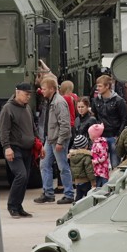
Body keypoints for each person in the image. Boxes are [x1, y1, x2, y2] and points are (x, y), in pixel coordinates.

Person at [34, 75, 75, 205]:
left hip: (57, 139)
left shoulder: (59, 102)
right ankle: (48, 193)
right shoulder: (50, 100)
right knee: (44, 164)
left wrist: (60, 142)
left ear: (52, 89)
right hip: (49, 138)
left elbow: (65, 125)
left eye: (44, 89)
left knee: (63, 166)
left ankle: (69, 194)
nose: (42, 91)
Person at [0, 82, 36, 218]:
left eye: (29, 95)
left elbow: (32, 127)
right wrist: (7, 147)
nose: (28, 97)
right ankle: (12, 206)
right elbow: (3, 130)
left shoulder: (27, 108)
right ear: (18, 92)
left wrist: (38, 142)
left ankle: (18, 206)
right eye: (26, 94)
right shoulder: (7, 109)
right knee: (21, 175)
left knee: (25, 179)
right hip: (14, 148)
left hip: (27, 148)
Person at [91, 74, 127, 168]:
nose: (97, 88)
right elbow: (94, 116)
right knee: (100, 166)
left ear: (107, 86)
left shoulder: (119, 101)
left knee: (115, 165)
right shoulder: (96, 101)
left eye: (100, 86)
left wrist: (119, 135)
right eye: (97, 86)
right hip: (101, 137)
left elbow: (125, 119)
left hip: (114, 136)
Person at [68, 134, 95, 201]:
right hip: (85, 181)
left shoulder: (72, 156)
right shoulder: (86, 156)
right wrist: (93, 181)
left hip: (77, 181)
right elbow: (89, 170)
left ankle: (75, 207)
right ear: (86, 145)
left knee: (78, 196)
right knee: (87, 197)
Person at [89, 123, 110, 187]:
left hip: (102, 169)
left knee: (104, 185)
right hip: (97, 169)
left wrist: (95, 161)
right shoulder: (95, 143)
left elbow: (103, 156)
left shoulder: (100, 144)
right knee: (98, 184)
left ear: (93, 135)